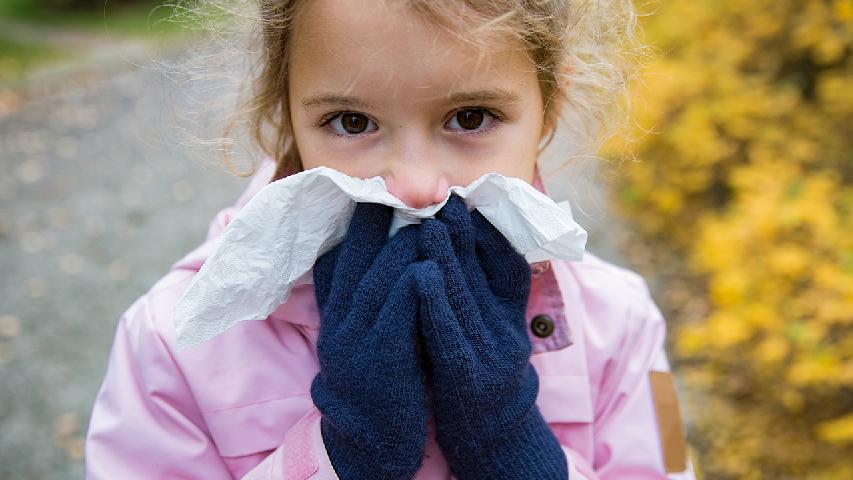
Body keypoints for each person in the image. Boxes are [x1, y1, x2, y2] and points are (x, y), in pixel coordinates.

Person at [85, 0, 697, 478]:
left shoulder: (623, 325)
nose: (416, 185)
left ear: (549, 108)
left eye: (471, 117)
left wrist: (512, 446)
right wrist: (342, 453)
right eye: (353, 123)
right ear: (286, 114)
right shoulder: (172, 344)